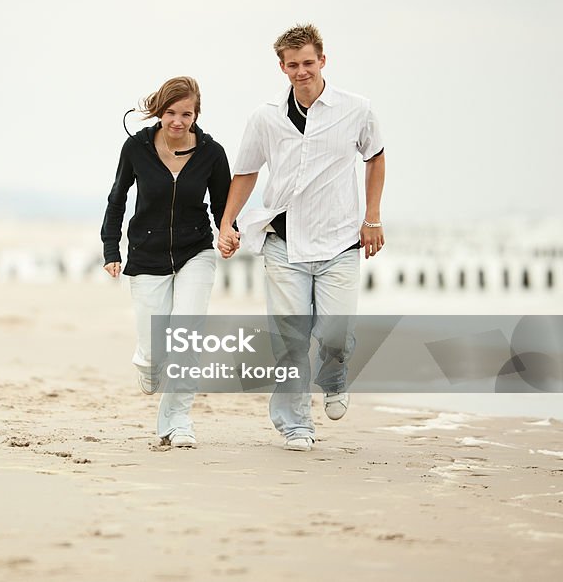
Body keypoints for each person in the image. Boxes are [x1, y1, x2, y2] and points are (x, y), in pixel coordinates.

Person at [217, 24, 386, 452]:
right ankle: (295, 425)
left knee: (335, 332)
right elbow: (247, 171)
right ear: (282, 67)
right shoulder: (265, 116)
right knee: (290, 341)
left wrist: (373, 218)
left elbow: (375, 158)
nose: (301, 71)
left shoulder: (357, 109)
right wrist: (228, 222)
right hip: (284, 243)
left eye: (308, 63)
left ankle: (334, 376)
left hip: (339, 243)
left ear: (323, 61)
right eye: (292, 65)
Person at [101, 76, 232, 448]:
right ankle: (147, 362)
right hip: (146, 253)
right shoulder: (136, 148)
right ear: (159, 111)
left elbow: (223, 206)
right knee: (155, 349)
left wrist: (229, 231)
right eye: (171, 112)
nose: (178, 121)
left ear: (196, 114)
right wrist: (112, 248)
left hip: (196, 251)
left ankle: (179, 421)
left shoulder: (211, 152)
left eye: (186, 114)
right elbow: (117, 198)